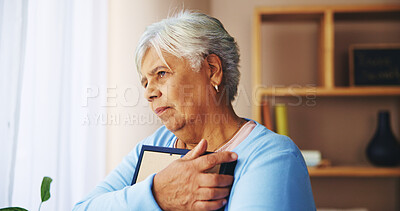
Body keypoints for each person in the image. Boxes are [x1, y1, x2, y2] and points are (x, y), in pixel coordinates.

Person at [73, 11, 315, 211]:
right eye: (145, 82)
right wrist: (156, 194)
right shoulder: (156, 143)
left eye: (161, 73)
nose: (149, 92)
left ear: (211, 70)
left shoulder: (273, 157)